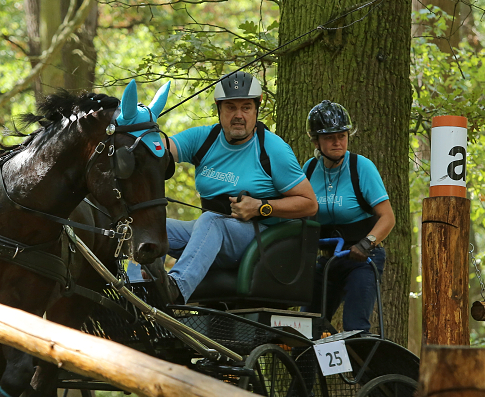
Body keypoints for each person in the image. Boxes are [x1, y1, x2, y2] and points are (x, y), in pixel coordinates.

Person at [136, 70, 317, 304]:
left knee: (210, 221)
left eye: (246, 107)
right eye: (230, 107)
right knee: (149, 224)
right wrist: (138, 132)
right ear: (219, 110)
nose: (238, 115)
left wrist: (261, 207)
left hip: (259, 241)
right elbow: (159, 150)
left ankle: (175, 289)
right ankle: (138, 292)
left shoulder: (273, 149)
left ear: (256, 110)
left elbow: (310, 204)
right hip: (210, 237)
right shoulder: (205, 138)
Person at [302, 100, 395, 333]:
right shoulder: (309, 170)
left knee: (355, 327)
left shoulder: (361, 167)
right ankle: (310, 369)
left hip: (362, 259)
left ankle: (365, 368)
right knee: (308, 326)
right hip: (327, 259)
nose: (337, 142)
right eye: (329, 137)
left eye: (342, 135)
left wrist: (366, 244)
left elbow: (387, 218)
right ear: (316, 141)